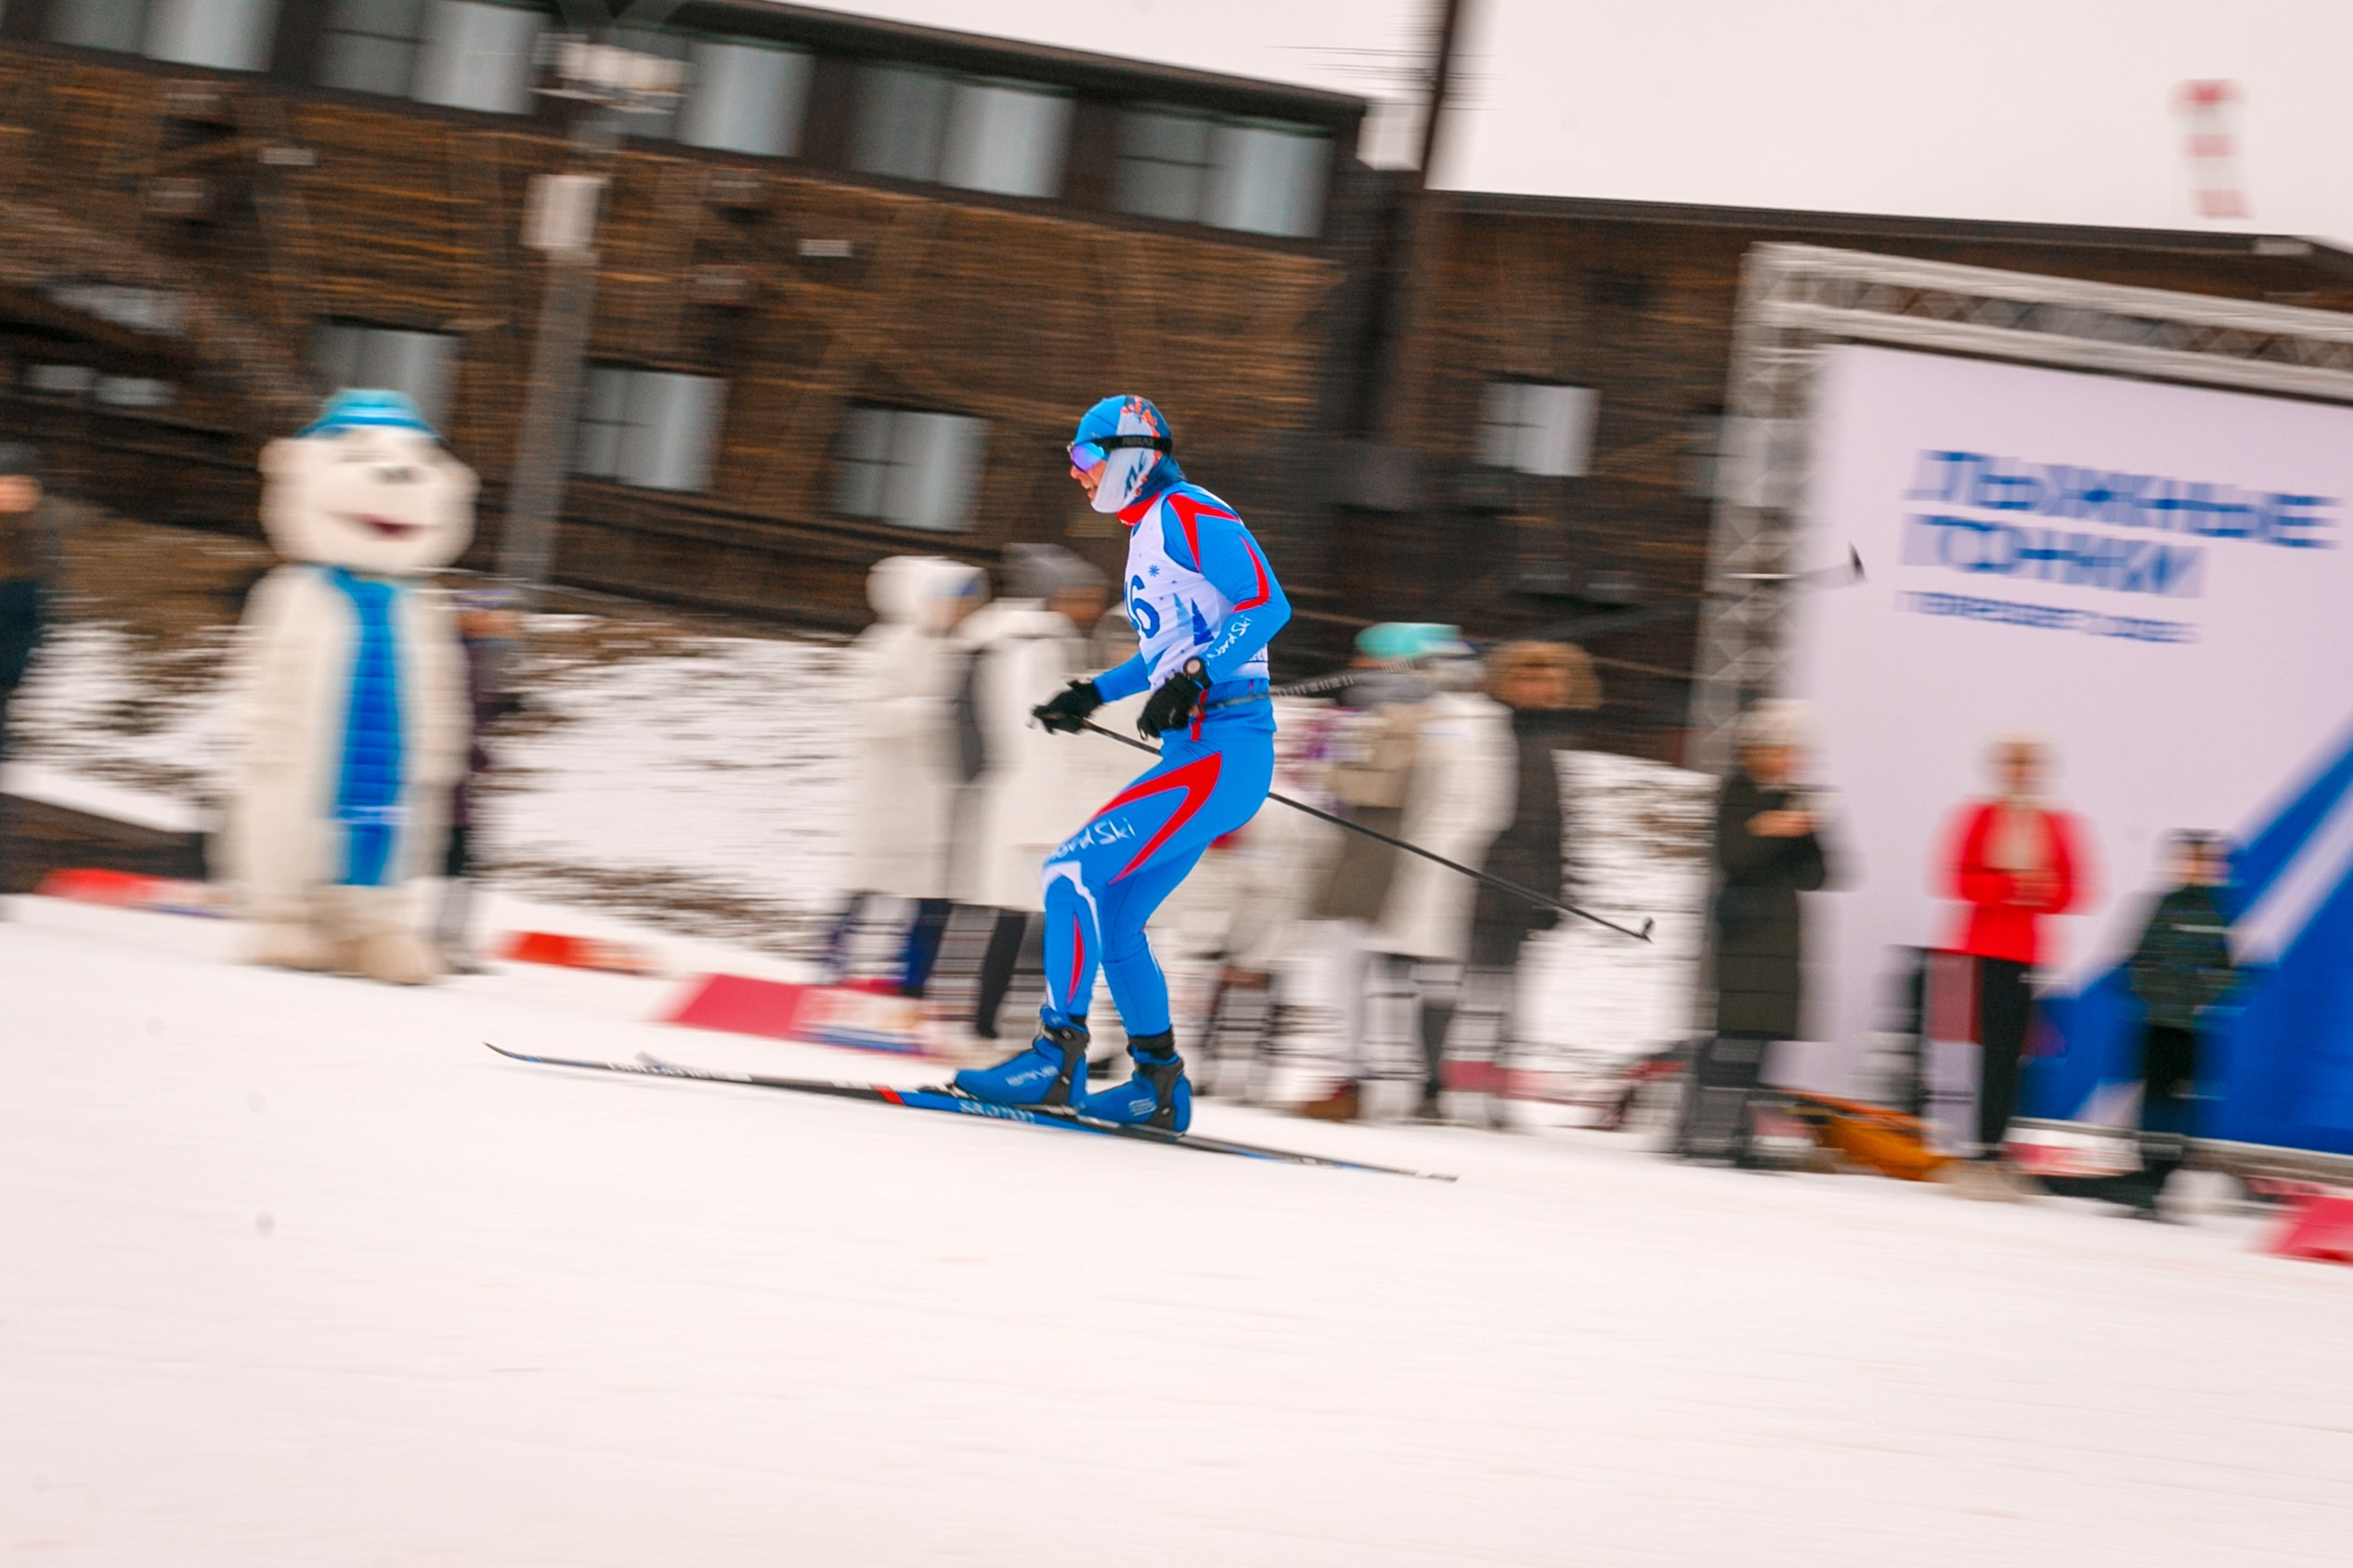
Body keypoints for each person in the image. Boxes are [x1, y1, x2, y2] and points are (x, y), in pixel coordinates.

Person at [951, 395, 1290, 1132]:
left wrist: (1197, 677)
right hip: (1201, 748)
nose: (1077, 473)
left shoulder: (1191, 510)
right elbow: (1164, 648)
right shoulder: (1147, 533)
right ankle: (1158, 1085)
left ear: (1130, 455)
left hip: (1224, 745)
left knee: (1069, 870)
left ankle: (1056, 1055)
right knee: (1116, 911)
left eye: (1085, 457)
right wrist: (1090, 694)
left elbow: (1265, 604)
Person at [1305, 627, 1515, 1122]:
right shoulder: (1378, 714)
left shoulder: (1462, 720)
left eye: (1373, 658)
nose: (1359, 666)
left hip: (1416, 865)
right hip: (1371, 858)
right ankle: (1360, 1078)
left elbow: (1478, 802)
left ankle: (1418, 1086)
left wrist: (1433, 853)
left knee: (1421, 978)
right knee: (1354, 966)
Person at [953, 543, 1111, 1041]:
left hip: (1025, 797)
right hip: (1038, 801)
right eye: (1081, 595)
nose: (1090, 607)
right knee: (1029, 917)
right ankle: (996, 1024)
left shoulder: (1014, 642)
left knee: (1022, 917)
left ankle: (995, 1022)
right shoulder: (1039, 646)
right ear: (1053, 596)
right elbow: (1037, 725)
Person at [1680, 699, 1836, 1164]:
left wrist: (1806, 832)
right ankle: (1700, 1129)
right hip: (1743, 928)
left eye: (1792, 750)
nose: (1786, 759)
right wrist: (1770, 827)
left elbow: (1820, 876)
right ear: (1757, 749)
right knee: (1732, 1033)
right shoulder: (1739, 790)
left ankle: (1740, 1133)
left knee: (1764, 1037)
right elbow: (1732, 857)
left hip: (1782, 933)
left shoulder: (1799, 796)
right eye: (1778, 749)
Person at [1454, 641, 1602, 1125]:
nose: (1535, 690)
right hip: (1474, 877)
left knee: (1507, 997)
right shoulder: (1486, 730)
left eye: (1546, 681)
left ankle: (1490, 1093)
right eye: (1525, 679)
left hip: (1525, 886)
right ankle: (1447, 1088)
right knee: (1463, 991)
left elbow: (1559, 825)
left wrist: (1555, 892)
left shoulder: (1560, 740)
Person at [1937, 734, 2090, 1196]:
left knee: (2015, 1055)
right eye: (2014, 764)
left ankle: (1998, 1148)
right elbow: (1958, 878)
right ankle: (1980, 1147)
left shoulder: (2055, 822)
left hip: (2025, 952)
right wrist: (2010, 887)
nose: (2021, 772)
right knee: (1985, 1052)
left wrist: (2032, 890)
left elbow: (2072, 889)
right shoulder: (1980, 816)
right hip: (1984, 949)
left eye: (2029, 765)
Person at [2051, 833, 2235, 1219]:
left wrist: (2201, 994)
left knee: (2183, 1105)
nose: (2197, 869)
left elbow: (2227, 972)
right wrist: (2154, 992)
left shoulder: (2218, 914)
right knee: (2152, 1100)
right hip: (2156, 1023)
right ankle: (2146, 1177)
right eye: (2191, 860)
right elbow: (2135, 960)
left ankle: (2168, 1177)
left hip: (2192, 1028)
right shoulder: (2162, 906)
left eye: (2205, 861)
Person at [832, 556, 984, 993]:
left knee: (933, 897)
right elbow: (865, 713)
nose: (959, 612)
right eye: (950, 601)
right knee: (869, 887)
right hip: (891, 794)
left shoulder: (962, 649)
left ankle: (912, 985)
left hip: (941, 798)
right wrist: (933, 713)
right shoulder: (885, 646)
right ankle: (833, 968)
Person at [435, 589, 522, 970]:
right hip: (447, 781)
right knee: (460, 859)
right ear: (474, 617)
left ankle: (445, 939)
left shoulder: (467, 656)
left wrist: (498, 706)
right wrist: (482, 755)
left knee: (459, 859)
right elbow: (455, 718)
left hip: (453, 780)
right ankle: (444, 941)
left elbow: (469, 711)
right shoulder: (462, 658)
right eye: (499, 615)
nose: (510, 624)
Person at [0, 444, 48, 905]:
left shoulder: (32, 543)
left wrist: (20, 671)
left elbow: (34, 618)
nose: (15, 493)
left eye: (22, 486)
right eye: (7, 483)